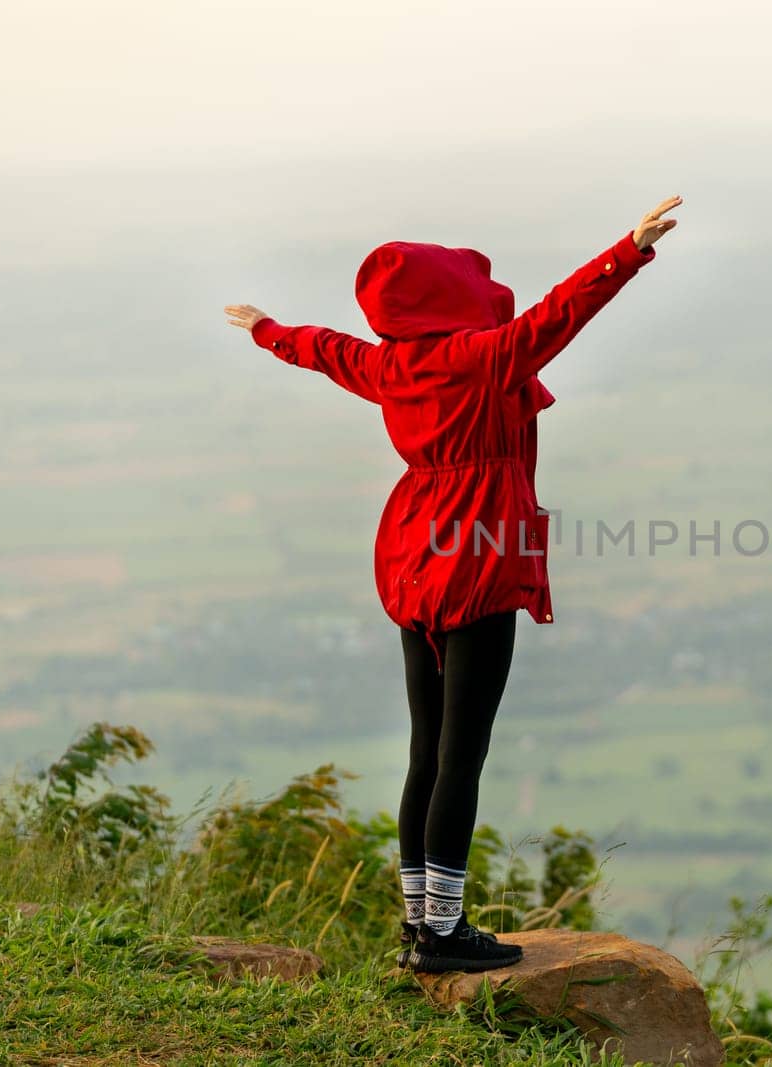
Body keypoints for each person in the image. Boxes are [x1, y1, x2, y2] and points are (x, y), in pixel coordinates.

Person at [223, 195, 682, 972]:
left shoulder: (387, 363)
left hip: (412, 553)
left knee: (425, 752)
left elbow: (323, 347)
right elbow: (559, 315)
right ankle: (443, 931)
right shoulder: (485, 358)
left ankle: (418, 924)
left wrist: (266, 329)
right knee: (463, 755)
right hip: (476, 554)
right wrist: (627, 251)